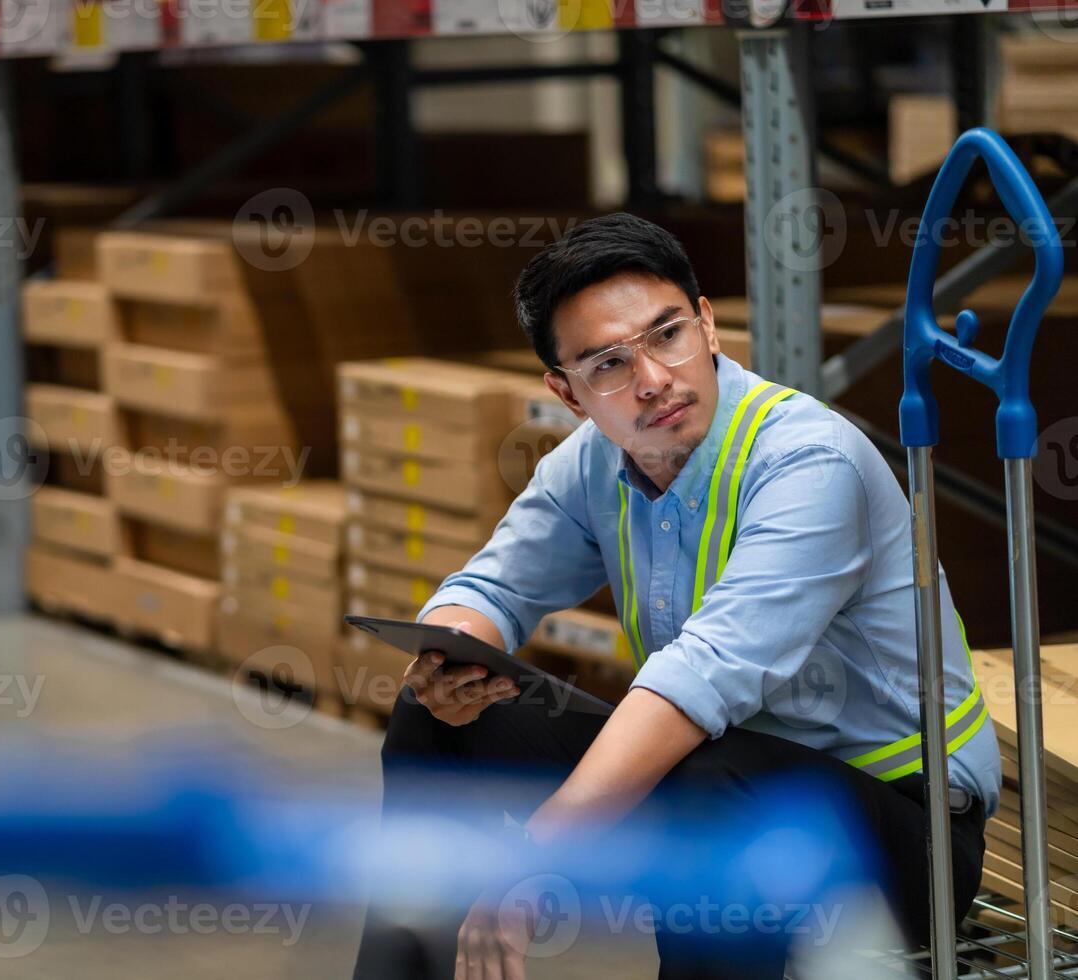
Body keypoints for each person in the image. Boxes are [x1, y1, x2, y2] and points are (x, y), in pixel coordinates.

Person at [350, 213, 999, 980]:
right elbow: (491, 586)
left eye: (667, 335)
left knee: (701, 779)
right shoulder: (594, 462)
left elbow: (698, 681)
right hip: (730, 779)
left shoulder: (811, 463)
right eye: (607, 364)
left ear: (709, 327)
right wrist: (451, 657)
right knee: (433, 717)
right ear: (567, 391)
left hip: (901, 834)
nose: (653, 379)